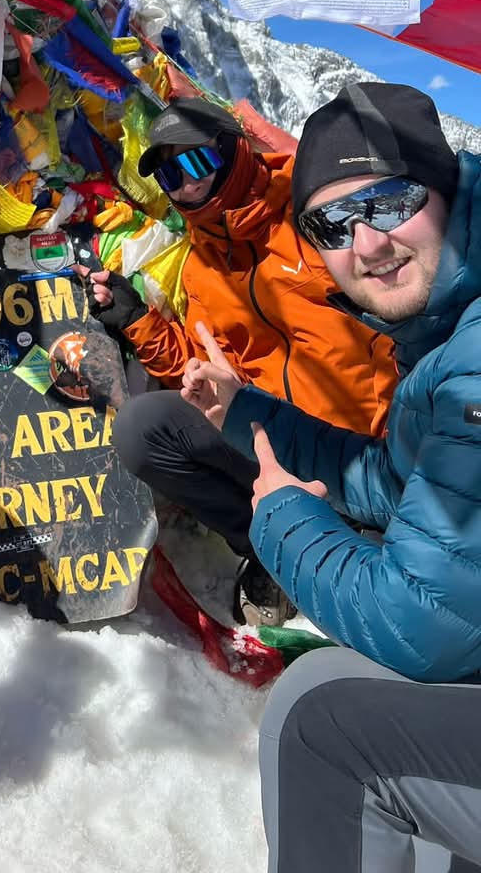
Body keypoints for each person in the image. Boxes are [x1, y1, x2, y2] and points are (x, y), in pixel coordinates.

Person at [181, 82, 481, 873]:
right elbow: (390, 477)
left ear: (443, 187)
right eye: (333, 225)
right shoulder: (445, 330)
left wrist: (283, 523)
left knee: (321, 720)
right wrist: (246, 415)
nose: (368, 244)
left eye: (387, 201)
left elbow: (420, 625)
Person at [88, 96, 397, 625]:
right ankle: (271, 547)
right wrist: (136, 318)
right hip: (274, 443)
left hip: (370, 453)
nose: (184, 186)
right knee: (144, 427)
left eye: (194, 163)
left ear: (233, 148)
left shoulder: (316, 213)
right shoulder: (201, 268)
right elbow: (199, 372)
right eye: (169, 177)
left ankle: (362, 527)